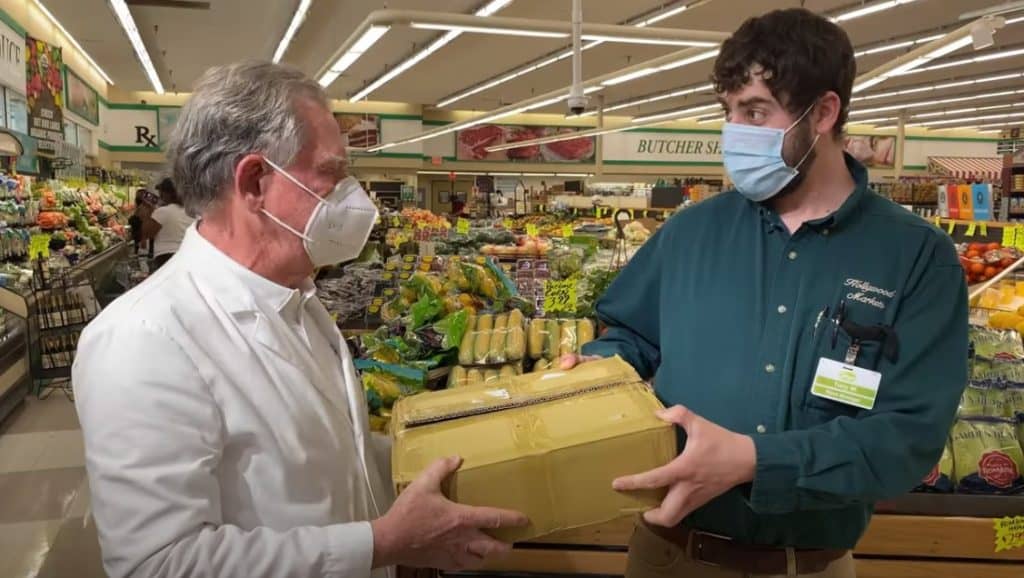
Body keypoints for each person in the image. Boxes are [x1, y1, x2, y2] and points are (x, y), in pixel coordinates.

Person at [73, 61, 526, 578]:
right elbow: (158, 564)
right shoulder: (142, 338)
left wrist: (485, 435)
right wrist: (381, 544)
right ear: (255, 182)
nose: (354, 196)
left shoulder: (299, 302)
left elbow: (338, 457)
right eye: (332, 173)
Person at [562, 9, 967, 578]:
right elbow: (630, 335)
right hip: (665, 554)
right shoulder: (691, 232)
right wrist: (595, 371)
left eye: (755, 112)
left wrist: (755, 461)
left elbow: (909, 436)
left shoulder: (916, 257)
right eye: (729, 112)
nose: (735, 133)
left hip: (808, 565)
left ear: (824, 112)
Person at [142, 177, 195, 270]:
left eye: (161, 192)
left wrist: (148, 212)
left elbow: (147, 233)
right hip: (188, 255)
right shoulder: (191, 212)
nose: (160, 195)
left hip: (166, 257)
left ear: (168, 194)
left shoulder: (163, 212)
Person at [128, 188, 155, 256]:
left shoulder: (147, 207)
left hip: (144, 235)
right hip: (142, 235)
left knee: (144, 253)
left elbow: (143, 219)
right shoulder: (142, 206)